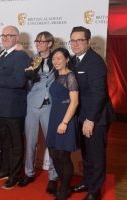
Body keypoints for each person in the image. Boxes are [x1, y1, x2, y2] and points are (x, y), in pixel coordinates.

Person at [70, 26, 114, 200]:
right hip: (81, 115)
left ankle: (95, 191)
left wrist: (90, 119)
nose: (75, 44)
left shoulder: (95, 61)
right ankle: (88, 182)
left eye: (80, 40)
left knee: (96, 155)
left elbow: (99, 93)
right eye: (73, 40)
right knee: (86, 153)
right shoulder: (74, 60)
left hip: (96, 117)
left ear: (88, 42)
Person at [0, 25, 31, 190]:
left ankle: (15, 176)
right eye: (3, 35)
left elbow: (19, 81)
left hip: (12, 109)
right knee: (4, 142)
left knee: (15, 144)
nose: (5, 38)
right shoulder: (2, 54)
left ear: (17, 38)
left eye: (9, 35)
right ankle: (5, 170)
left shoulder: (21, 56)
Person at [18, 31, 58, 195]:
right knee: (31, 141)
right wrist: (28, 75)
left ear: (50, 43)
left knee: (52, 143)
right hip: (33, 105)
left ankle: (54, 177)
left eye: (42, 41)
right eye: (37, 41)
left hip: (51, 106)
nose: (39, 43)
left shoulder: (58, 58)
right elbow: (25, 81)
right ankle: (28, 173)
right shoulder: (32, 60)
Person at [46, 47, 79, 200]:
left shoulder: (70, 76)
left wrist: (64, 122)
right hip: (54, 117)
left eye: (59, 58)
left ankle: (65, 189)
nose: (56, 61)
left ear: (67, 59)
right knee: (53, 153)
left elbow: (74, 102)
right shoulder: (55, 75)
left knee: (62, 155)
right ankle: (62, 184)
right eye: (53, 59)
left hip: (65, 118)